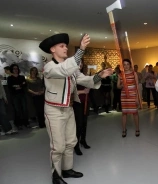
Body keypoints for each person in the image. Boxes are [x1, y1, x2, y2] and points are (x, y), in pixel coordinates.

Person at [39, 33, 113, 184]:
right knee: (58, 146)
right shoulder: (49, 67)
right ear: (52, 49)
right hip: (53, 111)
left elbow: (85, 80)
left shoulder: (70, 68)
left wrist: (100, 76)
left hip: (69, 109)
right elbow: (64, 70)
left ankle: (67, 169)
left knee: (71, 141)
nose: (65, 47)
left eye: (66, 45)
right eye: (62, 46)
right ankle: (56, 176)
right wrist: (81, 50)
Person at [117, 59, 140, 138]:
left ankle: (137, 129)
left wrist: (137, 98)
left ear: (130, 65)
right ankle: (124, 129)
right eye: (124, 64)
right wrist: (122, 85)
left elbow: (137, 86)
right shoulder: (120, 74)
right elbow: (118, 86)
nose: (126, 66)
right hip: (124, 96)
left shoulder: (134, 73)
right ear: (122, 65)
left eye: (127, 64)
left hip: (133, 95)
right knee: (124, 113)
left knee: (135, 113)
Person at [73, 62, 92, 156]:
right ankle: (75, 145)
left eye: (81, 64)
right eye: (78, 63)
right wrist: (83, 91)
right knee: (78, 124)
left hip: (86, 102)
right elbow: (70, 91)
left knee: (84, 123)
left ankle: (83, 141)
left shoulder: (83, 75)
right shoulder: (71, 76)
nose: (80, 65)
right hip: (77, 103)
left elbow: (89, 86)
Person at [7, 64, 29, 129]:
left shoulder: (21, 77)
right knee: (17, 110)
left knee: (24, 109)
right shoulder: (10, 78)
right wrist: (20, 85)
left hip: (22, 94)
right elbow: (10, 86)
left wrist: (17, 86)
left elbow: (25, 84)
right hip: (14, 96)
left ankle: (26, 123)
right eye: (14, 69)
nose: (15, 70)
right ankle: (18, 124)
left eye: (16, 69)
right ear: (12, 70)